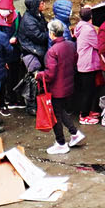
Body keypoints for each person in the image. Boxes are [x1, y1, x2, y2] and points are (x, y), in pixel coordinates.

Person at [41, 16, 84, 154]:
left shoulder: (52, 51)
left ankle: (61, 143)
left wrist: (40, 75)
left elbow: (50, 74)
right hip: (68, 85)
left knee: (55, 116)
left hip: (57, 88)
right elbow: (75, 60)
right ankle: (74, 133)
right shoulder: (70, 45)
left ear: (52, 33)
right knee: (61, 111)